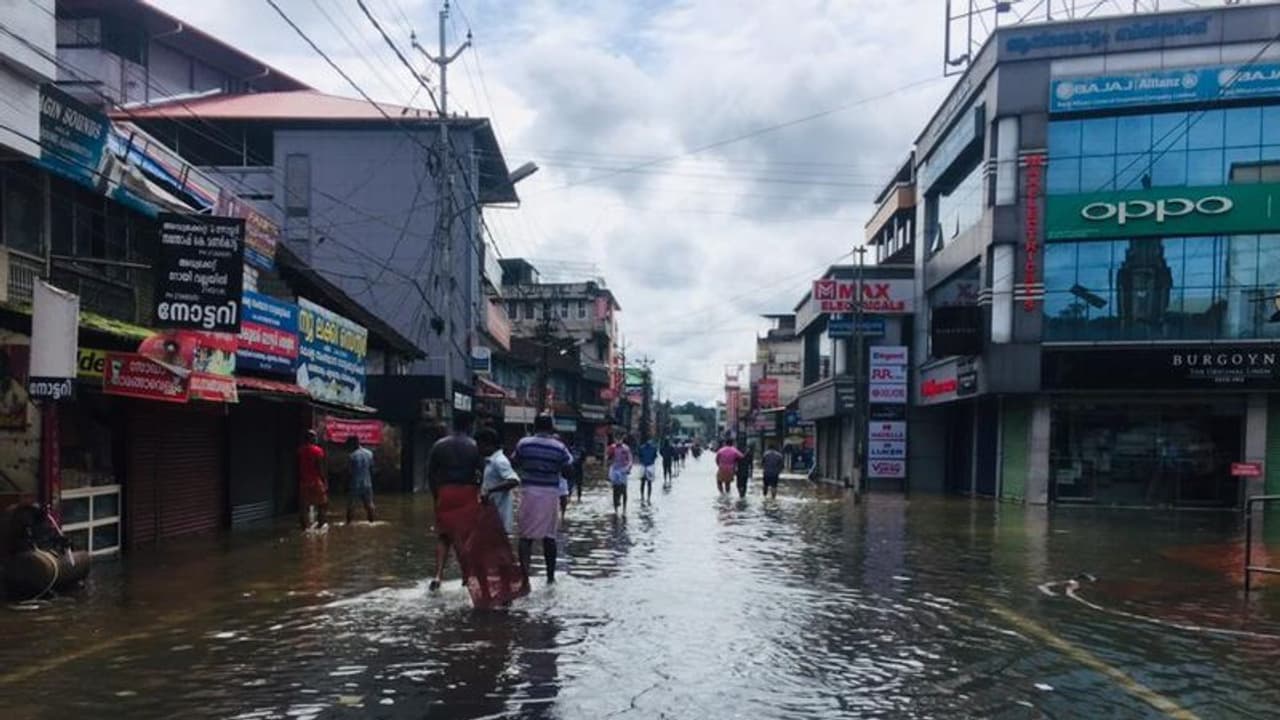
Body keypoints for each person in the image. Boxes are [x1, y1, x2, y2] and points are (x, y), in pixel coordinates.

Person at [512, 415, 574, 586]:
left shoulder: (523, 444)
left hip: (528, 492)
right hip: (550, 494)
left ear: (535, 426)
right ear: (551, 427)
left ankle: (524, 578)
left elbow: (514, 463)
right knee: (549, 537)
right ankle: (550, 577)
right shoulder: (560, 448)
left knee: (525, 537)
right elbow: (568, 469)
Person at [426, 414, 482, 592]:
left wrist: (436, 496)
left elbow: (430, 474)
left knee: (443, 536)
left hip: (445, 492)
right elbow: (482, 471)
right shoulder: (474, 446)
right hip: (467, 492)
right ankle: (466, 576)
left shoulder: (439, 445)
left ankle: (437, 576)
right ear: (470, 425)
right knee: (466, 537)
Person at [477, 428, 518, 534]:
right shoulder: (491, 461)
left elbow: (514, 481)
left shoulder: (500, 461)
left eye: (479, 445)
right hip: (491, 514)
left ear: (488, 444)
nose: (478, 449)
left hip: (498, 516)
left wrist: (490, 490)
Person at [297, 430, 329, 530]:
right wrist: (324, 481)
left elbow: (297, 466)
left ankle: (304, 528)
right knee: (322, 504)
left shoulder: (300, 451)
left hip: (304, 482)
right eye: (314, 437)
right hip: (315, 481)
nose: (316, 438)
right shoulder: (317, 450)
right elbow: (320, 467)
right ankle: (320, 526)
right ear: (311, 438)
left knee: (304, 506)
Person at [345, 435, 376, 524]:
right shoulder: (369, 453)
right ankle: (371, 523)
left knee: (351, 505)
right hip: (367, 483)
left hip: (355, 483)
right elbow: (372, 469)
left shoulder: (352, 456)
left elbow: (349, 472)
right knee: (369, 504)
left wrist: (345, 484)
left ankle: (348, 525)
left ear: (353, 443)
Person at [607, 434, 633, 513]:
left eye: (620, 439)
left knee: (624, 490)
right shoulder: (612, 448)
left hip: (623, 470)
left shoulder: (626, 448)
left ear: (622, 439)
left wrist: (628, 468)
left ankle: (624, 509)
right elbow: (608, 458)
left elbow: (630, 459)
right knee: (615, 489)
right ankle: (616, 509)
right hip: (615, 470)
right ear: (614, 439)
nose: (618, 441)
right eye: (617, 439)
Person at [636, 436, 659, 502]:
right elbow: (655, 456)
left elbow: (639, 456)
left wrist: (642, 461)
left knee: (644, 483)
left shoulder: (642, 448)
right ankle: (647, 497)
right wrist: (651, 461)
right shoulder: (653, 448)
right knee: (648, 483)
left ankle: (643, 496)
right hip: (649, 466)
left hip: (644, 466)